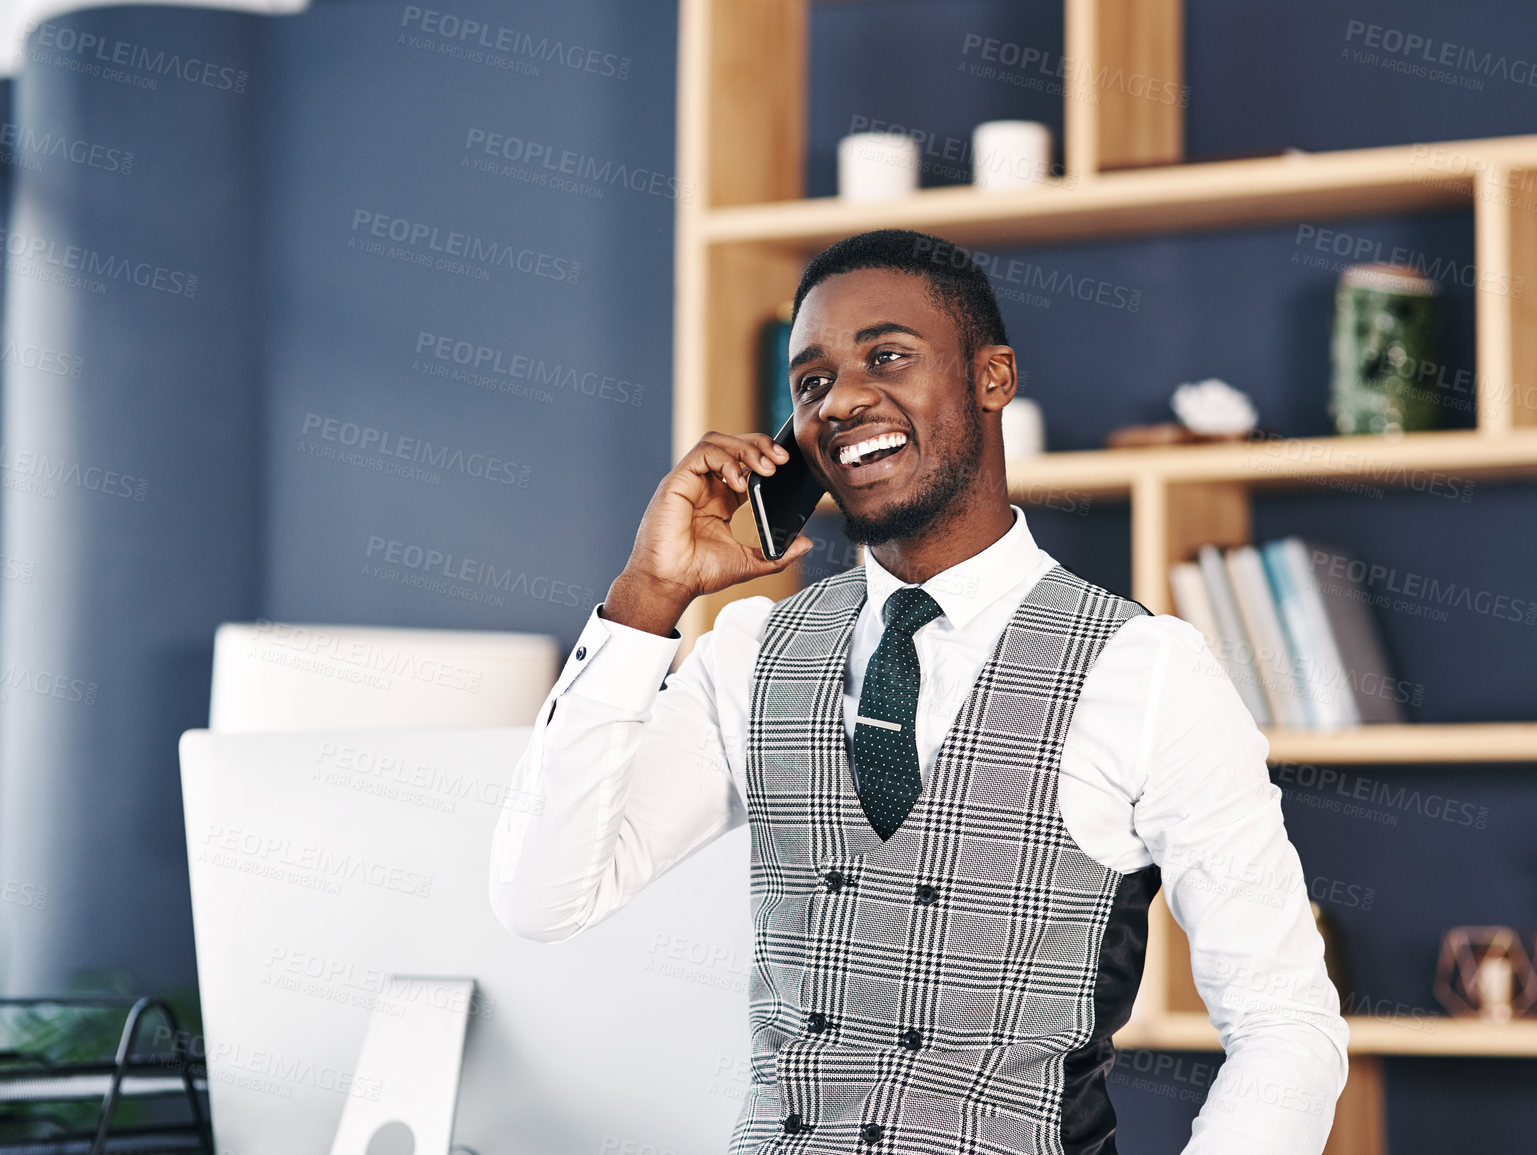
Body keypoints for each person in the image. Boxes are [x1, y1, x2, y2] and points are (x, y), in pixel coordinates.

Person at [489, 228, 1348, 1154]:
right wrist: (643, 601)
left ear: (992, 378)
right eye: (810, 383)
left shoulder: (1144, 672)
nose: (842, 400)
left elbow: (1285, 1026)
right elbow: (542, 898)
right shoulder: (751, 652)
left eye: (886, 356)